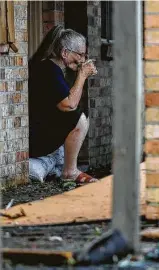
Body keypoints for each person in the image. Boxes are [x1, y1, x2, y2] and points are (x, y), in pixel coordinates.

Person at [28, 26, 98, 184]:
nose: (82, 59)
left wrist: (81, 75)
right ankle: (70, 172)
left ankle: (66, 168)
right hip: (34, 139)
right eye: (80, 54)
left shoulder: (53, 69)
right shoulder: (48, 71)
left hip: (40, 132)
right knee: (78, 117)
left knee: (79, 114)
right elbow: (69, 105)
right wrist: (82, 75)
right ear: (65, 53)